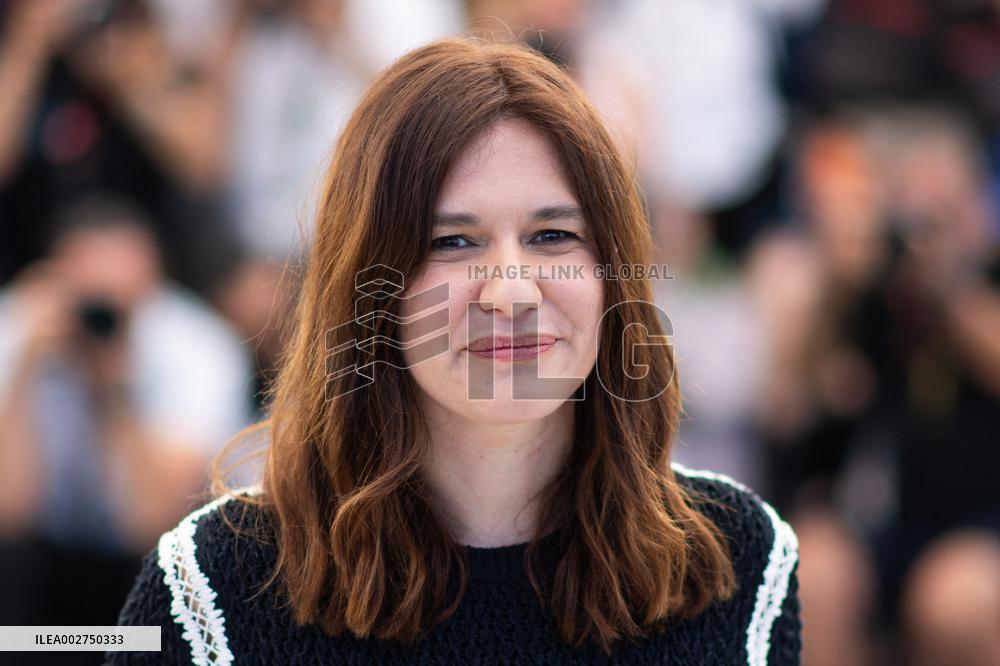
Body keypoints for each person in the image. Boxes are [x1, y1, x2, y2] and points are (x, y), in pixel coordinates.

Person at [109, 36, 801, 664]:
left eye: (553, 236)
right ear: (370, 288)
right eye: (453, 242)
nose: (510, 291)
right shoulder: (213, 586)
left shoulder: (737, 561)